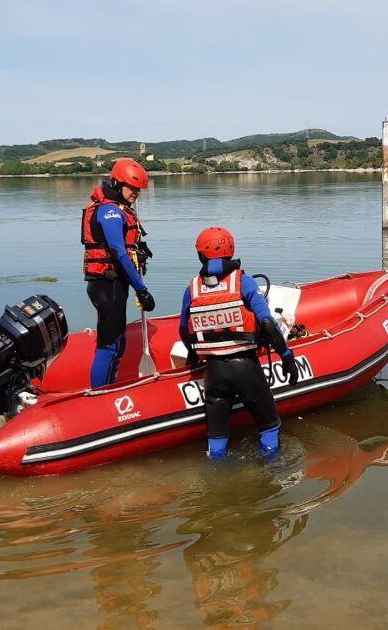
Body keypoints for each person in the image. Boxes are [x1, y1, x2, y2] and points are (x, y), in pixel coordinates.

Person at [179, 226, 298, 460]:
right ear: (231, 251)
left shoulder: (192, 288)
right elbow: (267, 324)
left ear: (201, 255)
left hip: (214, 373)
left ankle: (217, 474)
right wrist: (287, 358)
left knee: (217, 437)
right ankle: (272, 470)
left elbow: (185, 330)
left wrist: (194, 356)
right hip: (246, 368)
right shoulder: (243, 283)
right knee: (269, 427)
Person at [81, 158, 155, 388]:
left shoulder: (119, 209)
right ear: (117, 183)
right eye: (131, 188)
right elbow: (119, 253)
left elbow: (125, 248)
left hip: (114, 284)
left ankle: (109, 388)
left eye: (139, 189)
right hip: (107, 284)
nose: (136, 193)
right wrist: (141, 290)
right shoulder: (109, 212)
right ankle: (99, 395)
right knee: (109, 343)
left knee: (118, 341)